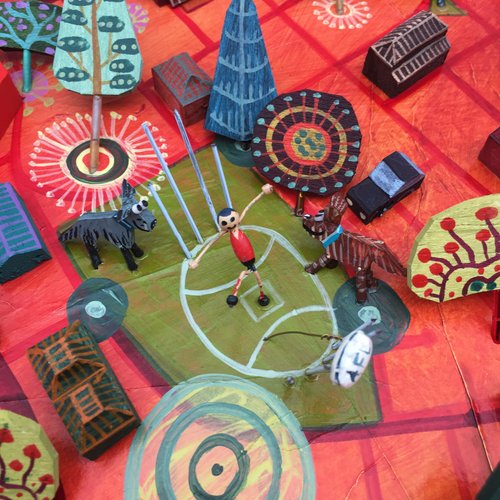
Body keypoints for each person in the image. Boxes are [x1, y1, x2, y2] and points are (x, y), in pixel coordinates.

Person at [189, 184, 273, 307]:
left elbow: (248, 206)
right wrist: (197, 259)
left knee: (253, 274)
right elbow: (210, 244)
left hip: (249, 257)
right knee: (253, 274)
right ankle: (250, 294)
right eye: (225, 222)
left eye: (232, 220)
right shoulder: (224, 232)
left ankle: (254, 294)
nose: (230, 223)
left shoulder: (238, 222)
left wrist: (262, 193)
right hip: (245, 259)